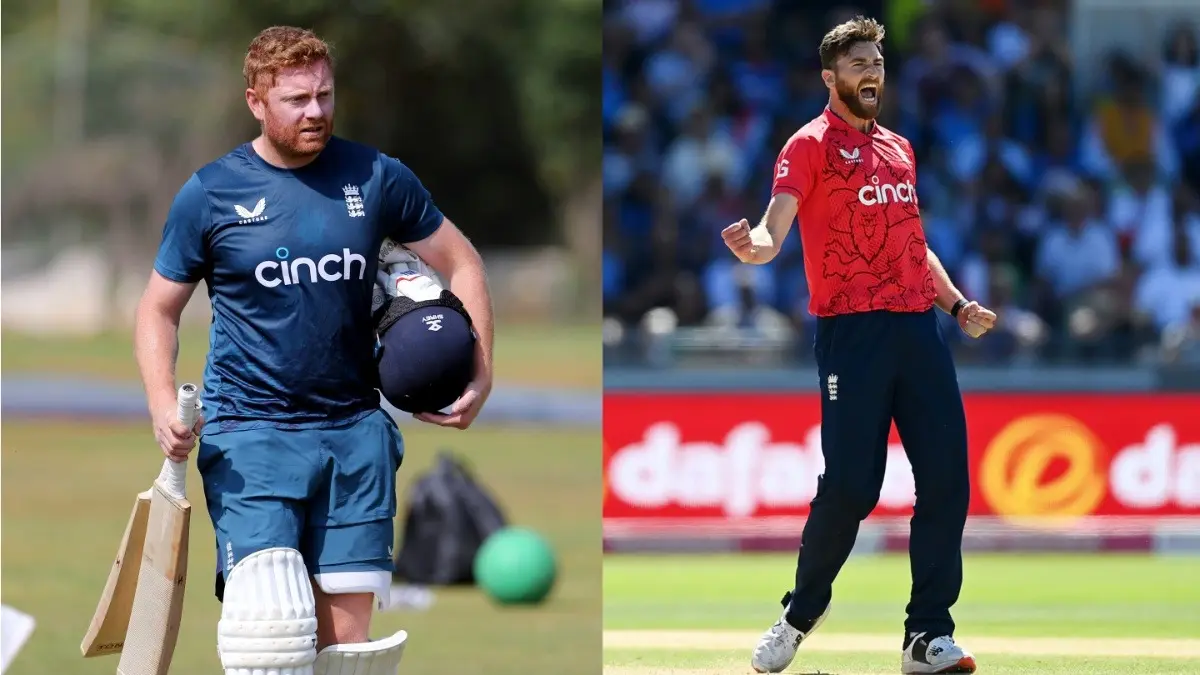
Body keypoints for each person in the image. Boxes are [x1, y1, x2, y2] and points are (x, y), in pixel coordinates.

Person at [133, 26, 494, 675]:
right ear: (256, 102)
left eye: (325, 95)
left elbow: (461, 261)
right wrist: (163, 400)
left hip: (356, 434)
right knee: (268, 637)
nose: (317, 112)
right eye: (298, 99)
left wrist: (482, 368)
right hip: (250, 436)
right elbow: (159, 308)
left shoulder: (376, 175)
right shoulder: (212, 193)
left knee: (345, 655)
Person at [720, 16, 996, 675]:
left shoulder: (900, 149)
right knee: (850, 487)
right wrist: (755, 248)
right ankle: (798, 614)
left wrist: (956, 304)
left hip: (916, 331)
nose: (871, 72)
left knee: (948, 483)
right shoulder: (808, 145)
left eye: (876, 62)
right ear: (830, 77)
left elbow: (912, 244)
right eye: (858, 64)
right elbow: (774, 226)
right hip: (853, 335)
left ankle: (927, 635)